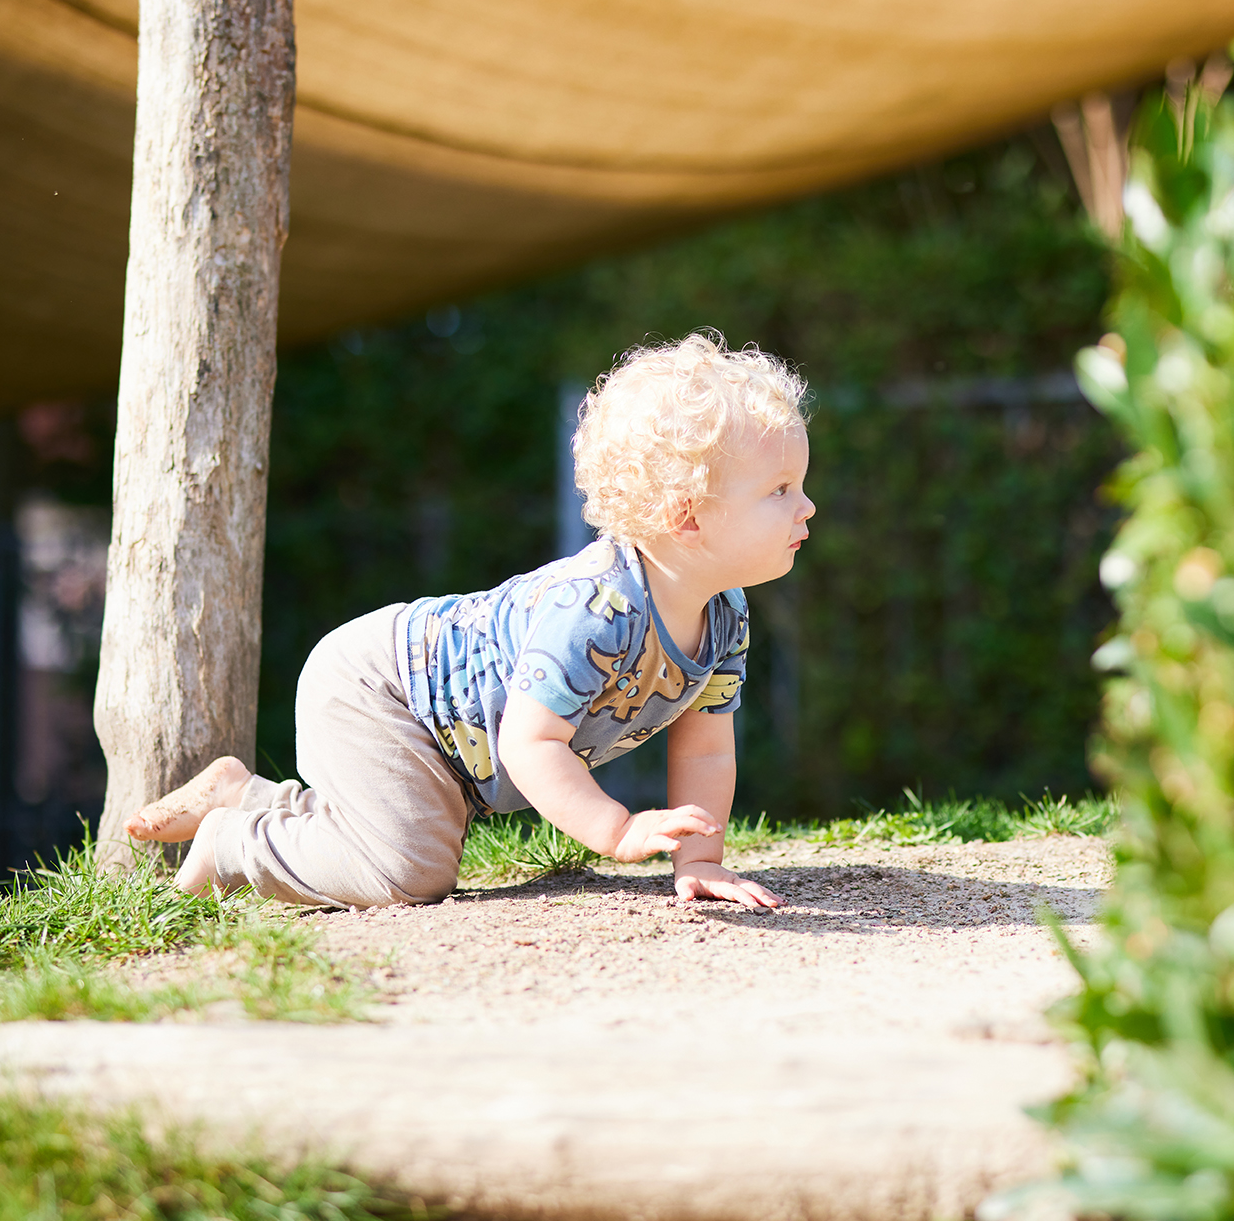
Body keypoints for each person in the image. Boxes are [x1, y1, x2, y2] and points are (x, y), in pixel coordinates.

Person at [124, 333, 810, 910]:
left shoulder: (725, 616)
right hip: (383, 690)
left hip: (440, 739)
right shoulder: (599, 609)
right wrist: (617, 829)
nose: (806, 508)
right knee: (410, 874)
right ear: (685, 517)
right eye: (780, 491)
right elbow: (529, 744)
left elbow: (706, 749)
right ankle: (231, 839)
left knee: (416, 845)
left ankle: (251, 795)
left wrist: (700, 861)